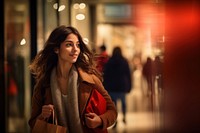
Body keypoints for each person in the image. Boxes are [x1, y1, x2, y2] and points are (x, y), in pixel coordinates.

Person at [28, 25, 117, 133]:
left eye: (78, 45)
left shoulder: (90, 80)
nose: (75, 49)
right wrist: (42, 116)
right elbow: (33, 123)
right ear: (56, 49)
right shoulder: (43, 84)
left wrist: (100, 120)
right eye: (69, 45)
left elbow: (112, 111)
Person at [103, 46, 132, 127]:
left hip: (112, 87)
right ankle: (124, 117)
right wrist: (129, 86)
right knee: (123, 103)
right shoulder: (124, 61)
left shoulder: (109, 62)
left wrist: (105, 86)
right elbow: (128, 75)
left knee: (114, 105)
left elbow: (106, 75)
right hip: (122, 86)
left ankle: (115, 120)